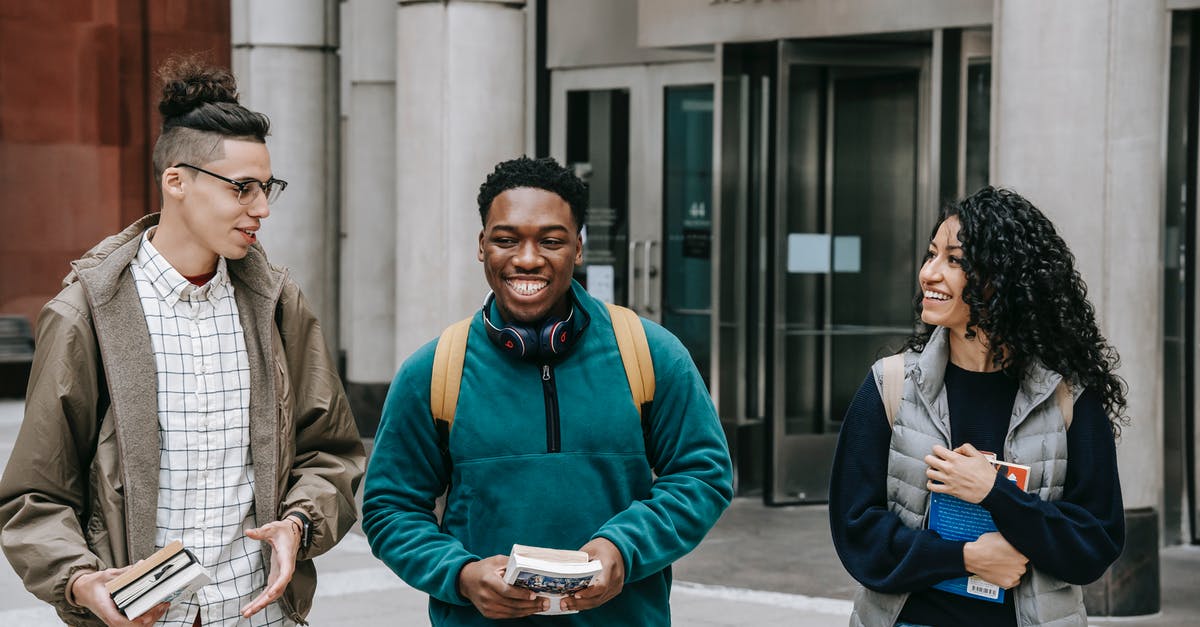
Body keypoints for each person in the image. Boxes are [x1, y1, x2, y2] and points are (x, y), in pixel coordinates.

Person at [0, 58, 365, 627]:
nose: (262, 209)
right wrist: (81, 580)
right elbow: (35, 497)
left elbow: (332, 452)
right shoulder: (86, 313)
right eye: (242, 188)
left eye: (268, 188)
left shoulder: (277, 303)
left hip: (258, 615)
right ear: (176, 180)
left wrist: (298, 525)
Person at [361, 156, 733, 626]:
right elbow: (390, 508)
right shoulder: (432, 370)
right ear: (482, 246)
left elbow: (703, 474)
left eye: (551, 241)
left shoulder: (651, 353)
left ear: (578, 249)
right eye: (506, 239)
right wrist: (461, 575)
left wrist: (623, 548)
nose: (528, 258)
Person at [829, 186, 1126, 627]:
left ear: (1002, 277)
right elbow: (856, 533)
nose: (929, 273)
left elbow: (1094, 542)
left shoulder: (1068, 398)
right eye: (931, 255)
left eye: (955, 260)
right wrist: (964, 557)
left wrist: (995, 492)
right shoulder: (891, 384)